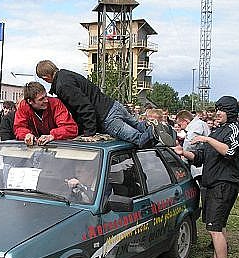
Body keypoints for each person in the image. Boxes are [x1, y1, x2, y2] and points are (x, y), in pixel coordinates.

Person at [174, 96, 239, 258]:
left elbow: (230, 151)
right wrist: (184, 153)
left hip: (224, 184)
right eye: (217, 110)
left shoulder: (234, 130)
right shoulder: (218, 130)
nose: (217, 113)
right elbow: (201, 157)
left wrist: (207, 138)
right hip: (211, 184)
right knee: (216, 225)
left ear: (230, 112)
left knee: (215, 228)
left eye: (221, 110)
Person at [36, 60, 174, 147]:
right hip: (115, 106)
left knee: (138, 139)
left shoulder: (63, 86)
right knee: (138, 125)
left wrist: (89, 133)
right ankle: (158, 129)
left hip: (107, 118)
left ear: (45, 77)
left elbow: (84, 107)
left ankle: (154, 133)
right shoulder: (67, 74)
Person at [13, 81, 78, 145]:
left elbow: (71, 128)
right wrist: (26, 135)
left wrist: (53, 136)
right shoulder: (23, 107)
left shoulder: (55, 104)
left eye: (46, 96)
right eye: (41, 99)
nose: (46, 100)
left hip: (58, 146)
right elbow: (19, 127)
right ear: (30, 101)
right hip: (35, 147)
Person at [175, 110, 210, 181]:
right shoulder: (200, 124)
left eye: (180, 124)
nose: (180, 127)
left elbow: (190, 145)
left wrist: (183, 156)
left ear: (185, 121)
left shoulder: (196, 126)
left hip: (200, 167)